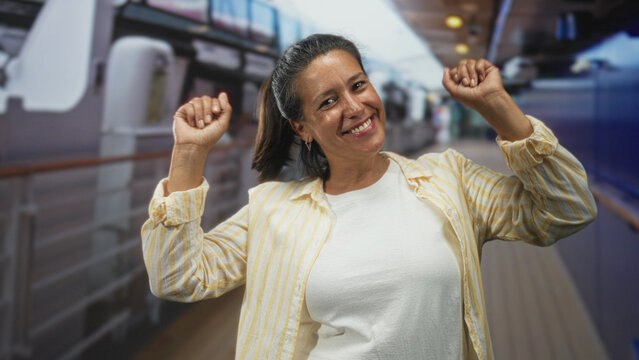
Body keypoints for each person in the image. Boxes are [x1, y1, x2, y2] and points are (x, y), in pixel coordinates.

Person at [141, 34, 597, 360]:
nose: (355, 107)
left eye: (357, 85)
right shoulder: (274, 211)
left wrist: (499, 107)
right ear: (303, 129)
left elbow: (568, 209)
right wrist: (189, 152)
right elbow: (178, 277)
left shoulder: (448, 180)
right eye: (327, 102)